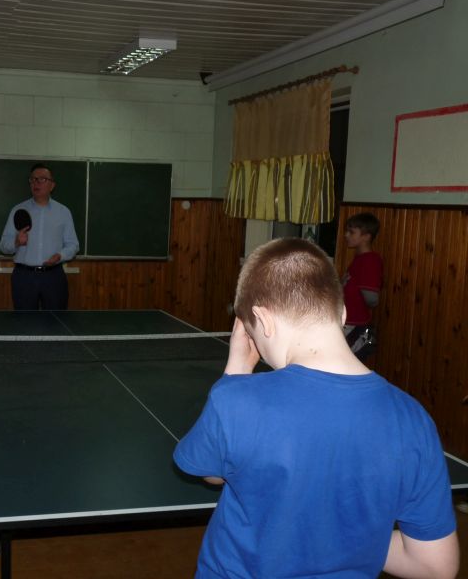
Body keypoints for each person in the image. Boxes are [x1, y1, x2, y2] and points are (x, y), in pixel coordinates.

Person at [174, 238, 458, 579]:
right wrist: (344, 537)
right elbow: (435, 566)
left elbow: (212, 472)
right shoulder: (413, 419)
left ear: (263, 320)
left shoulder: (236, 400)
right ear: (342, 313)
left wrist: (236, 370)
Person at [0, 163, 79, 310]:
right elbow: (4, 245)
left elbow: (73, 245)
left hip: (54, 276)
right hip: (24, 277)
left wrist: (60, 256)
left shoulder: (63, 212)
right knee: (24, 322)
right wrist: (16, 242)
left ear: (52, 185)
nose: (36, 183)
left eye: (42, 179)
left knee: (56, 320)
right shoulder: (18, 210)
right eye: (33, 179)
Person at [342, 212, 383, 359]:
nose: (346, 235)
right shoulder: (360, 259)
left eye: (351, 232)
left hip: (354, 324)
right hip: (347, 321)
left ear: (366, 236)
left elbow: (372, 299)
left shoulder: (370, 261)